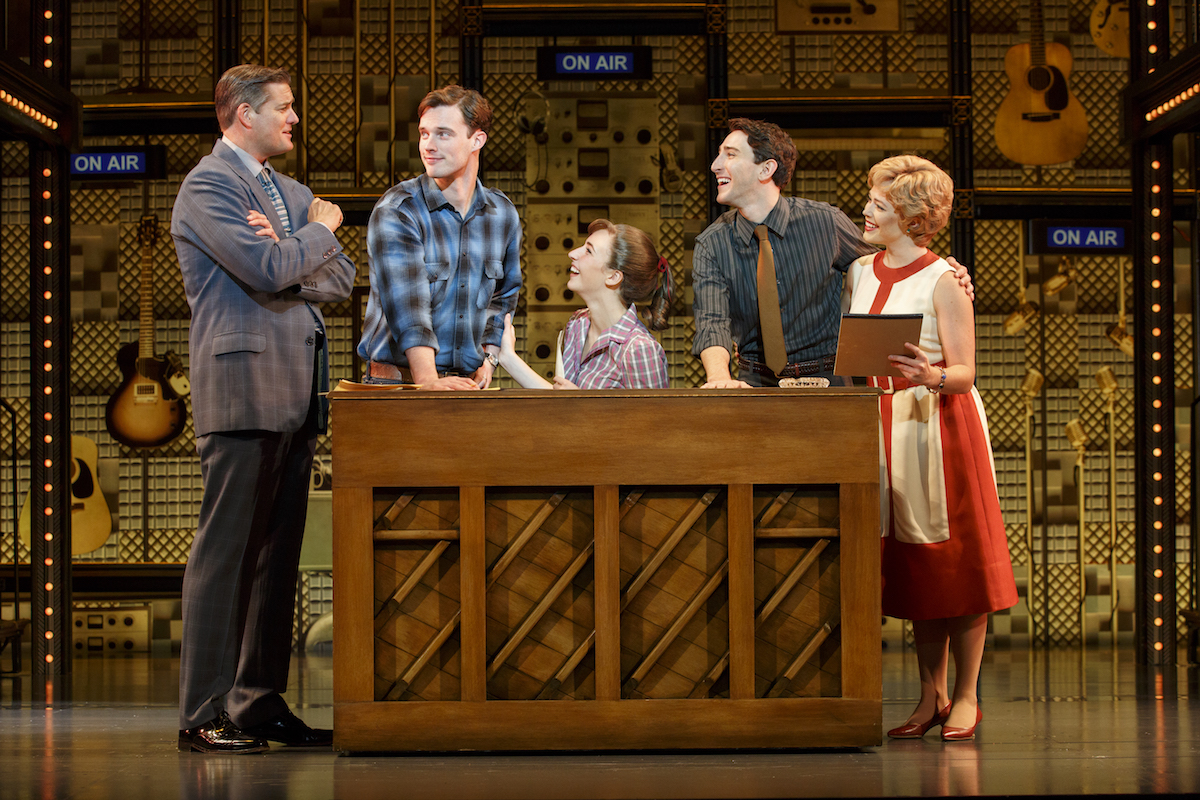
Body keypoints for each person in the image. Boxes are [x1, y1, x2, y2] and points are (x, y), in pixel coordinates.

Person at [171, 64, 355, 753]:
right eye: (284, 107)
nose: (295, 118)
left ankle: (256, 701)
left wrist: (292, 243)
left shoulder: (292, 193)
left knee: (277, 557)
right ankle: (202, 711)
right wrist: (306, 239)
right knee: (227, 555)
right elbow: (272, 270)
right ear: (244, 114)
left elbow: (339, 277)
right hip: (244, 388)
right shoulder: (208, 185)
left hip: (297, 390)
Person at [844, 155, 1018, 742]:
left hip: (938, 423)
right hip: (884, 420)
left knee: (956, 559)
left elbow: (967, 370)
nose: (866, 210)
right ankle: (930, 695)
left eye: (880, 204)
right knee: (916, 563)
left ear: (914, 220)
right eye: (870, 198)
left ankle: (967, 695)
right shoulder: (861, 270)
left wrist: (932, 376)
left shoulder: (944, 279)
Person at [692, 118, 974, 388]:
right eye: (719, 155)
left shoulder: (825, 222)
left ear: (766, 170)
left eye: (730, 155)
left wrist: (943, 272)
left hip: (829, 380)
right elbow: (712, 321)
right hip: (755, 382)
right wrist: (719, 377)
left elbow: (887, 266)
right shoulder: (712, 244)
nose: (716, 165)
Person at [357, 85, 522, 389]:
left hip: (465, 388)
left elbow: (503, 297)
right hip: (399, 387)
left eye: (443, 134)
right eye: (424, 133)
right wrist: (428, 382)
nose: (428, 145)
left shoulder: (502, 214)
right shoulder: (399, 209)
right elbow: (408, 306)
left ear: (477, 140)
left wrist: (489, 360)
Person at [499, 219, 671, 390]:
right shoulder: (578, 323)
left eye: (588, 251)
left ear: (613, 277)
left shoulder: (639, 349)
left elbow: (655, 418)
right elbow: (560, 399)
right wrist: (508, 357)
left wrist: (581, 405)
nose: (572, 253)